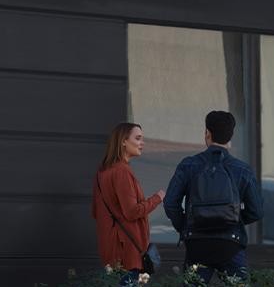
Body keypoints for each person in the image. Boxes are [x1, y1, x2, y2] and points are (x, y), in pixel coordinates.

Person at [163, 109, 262, 277]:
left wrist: (187, 225)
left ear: (207, 133)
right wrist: (232, 219)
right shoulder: (242, 169)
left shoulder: (188, 165)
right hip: (231, 243)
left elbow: (170, 203)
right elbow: (256, 211)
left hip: (197, 244)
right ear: (230, 136)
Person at [91, 122, 164, 273]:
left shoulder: (102, 172)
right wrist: (157, 198)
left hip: (111, 249)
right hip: (127, 250)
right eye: (138, 138)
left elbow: (96, 212)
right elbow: (132, 211)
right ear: (123, 141)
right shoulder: (122, 171)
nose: (142, 143)